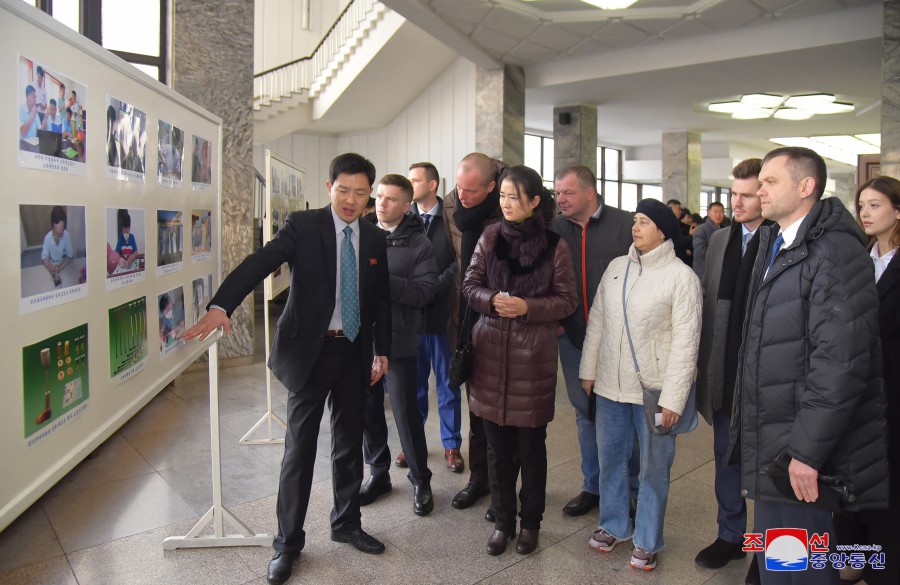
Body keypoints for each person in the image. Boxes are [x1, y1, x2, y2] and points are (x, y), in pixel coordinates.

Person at [183, 153, 392, 585]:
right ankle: (287, 544)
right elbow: (259, 263)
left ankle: (346, 523)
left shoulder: (372, 238)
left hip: (354, 353)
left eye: (360, 192)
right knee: (300, 449)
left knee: (350, 445)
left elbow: (380, 300)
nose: (351, 200)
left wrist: (381, 350)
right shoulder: (303, 225)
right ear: (328, 187)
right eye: (343, 190)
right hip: (311, 355)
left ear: (369, 193)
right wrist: (222, 304)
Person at [727, 147, 889, 585]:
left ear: (805, 187)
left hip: (800, 450)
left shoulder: (834, 251)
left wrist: (806, 452)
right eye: (759, 182)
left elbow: (841, 364)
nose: (760, 190)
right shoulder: (773, 239)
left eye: (770, 182)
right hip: (774, 440)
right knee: (781, 565)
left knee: (802, 572)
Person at [580, 198, 701, 572]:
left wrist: (675, 399)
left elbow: (687, 344)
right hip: (611, 389)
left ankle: (647, 539)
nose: (635, 227)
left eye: (644, 221)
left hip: (655, 392)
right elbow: (597, 321)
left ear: (663, 230)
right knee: (611, 460)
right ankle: (615, 523)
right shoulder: (618, 268)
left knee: (652, 469)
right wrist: (589, 370)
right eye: (635, 220)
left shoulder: (682, 278)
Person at [463, 165, 577, 556]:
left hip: (533, 360)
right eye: (503, 197)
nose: (507, 204)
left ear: (534, 202)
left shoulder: (555, 246)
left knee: (531, 450)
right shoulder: (490, 236)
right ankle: (502, 521)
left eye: (514, 197)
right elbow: (470, 284)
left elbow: (567, 300)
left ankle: (530, 524)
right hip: (490, 355)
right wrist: (492, 301)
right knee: (495, 449)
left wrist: (527, 305)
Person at [694, 159, 770, 584]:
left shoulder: (782, 240)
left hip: (766, 374)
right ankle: (730, 534)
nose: (734, 202)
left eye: (745, 195)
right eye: (732, 193)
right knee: (726, 457)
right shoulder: (722, 240)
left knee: (767, 467)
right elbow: (708, 303)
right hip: (725, 370)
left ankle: (767, 546)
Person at [551, 164, 632, 517]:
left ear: (589, 192)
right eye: (557, 194)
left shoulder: (625, 225)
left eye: (567, 193)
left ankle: (630, 489)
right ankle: (592, 486)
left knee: (623, 414)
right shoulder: (554, 228)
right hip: (572, 338)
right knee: (585, 413)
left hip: (619, 341)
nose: (561, 199)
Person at [832, 176, 900, 585]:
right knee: (848, 480)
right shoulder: (857, 258)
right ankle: (852, 554)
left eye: (875, 205)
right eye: (862, 206)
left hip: (891, 391)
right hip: (849, 390)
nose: (865, 213)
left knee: (886, 481)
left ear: (897, 211)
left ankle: (884, 563)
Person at [360, 174, 438, 516]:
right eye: (379, 197)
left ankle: (421, 480)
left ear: (406, 206)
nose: (382, 203)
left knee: (406, 413)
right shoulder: (359, 233)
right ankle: (378, 474)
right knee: (368, 412)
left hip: (401, 339)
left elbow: (424, 293)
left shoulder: (418, 244)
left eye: (391, 199)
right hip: (360, 339)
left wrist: (381, 279)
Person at [443, 152, 507, 517]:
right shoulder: (452, 208)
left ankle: (501, 488)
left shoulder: (507, 211)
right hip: (465, 320)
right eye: (459, 188)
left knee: (502, 415)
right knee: (475, 406)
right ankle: (478, 479)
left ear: (492, 187)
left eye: (471, 190)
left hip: (499, 321)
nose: (461, 196)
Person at [407, 161, 464, 473]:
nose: (410, 184)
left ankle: (452, 445)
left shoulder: (451, 217)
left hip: (443, 314)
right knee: (413, 385)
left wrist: (434, 287)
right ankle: (412, 443)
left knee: (447, 383)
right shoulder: (405, 217)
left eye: (415, 180)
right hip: (412, 318)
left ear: (432, 185)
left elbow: (460, 258)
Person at [692, 201, 726, 279]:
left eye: (721, 212)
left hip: (721, 271)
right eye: (715, 211)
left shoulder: (726, 229)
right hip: (704, 272)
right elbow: (700, 252)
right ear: (709, 213)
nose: (718, 215)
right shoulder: (701, 229)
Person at [41, 205, 73, 288]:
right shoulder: (47, 238)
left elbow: (70, 256)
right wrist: (50, 267)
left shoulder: (66, 235)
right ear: (52, 226)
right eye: (56, 233)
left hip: (65, 266)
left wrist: (61, 266)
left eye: (61, 232)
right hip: (53, 266)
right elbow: (44, 258)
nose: (59, 236)